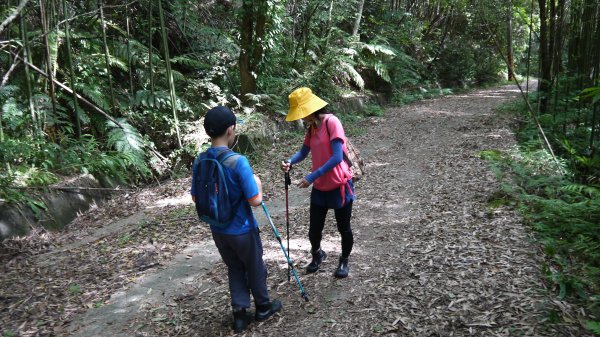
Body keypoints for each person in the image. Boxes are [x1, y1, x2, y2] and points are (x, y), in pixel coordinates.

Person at [191, 106, 282, 333]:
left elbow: (195, 196)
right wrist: (258, 183)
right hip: (242, 229)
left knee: (233, 267)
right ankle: (262, 307)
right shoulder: (238, 161)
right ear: (231, 129)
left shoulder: (200, 161)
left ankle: (240, 315)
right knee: (254, 266)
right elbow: (255, 200)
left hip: (218, 229)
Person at [280, 87, 355, 279]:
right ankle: (317, 254)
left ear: (309, 110)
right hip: (320, 188)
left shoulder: (332, 122)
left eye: (301, 113)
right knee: (314, 230)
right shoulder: (311, 128)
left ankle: (344, 259)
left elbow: (337, 157)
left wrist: (311, 177)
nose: (300, 118)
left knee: (343, 228)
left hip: (339, 184)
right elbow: (304, 152)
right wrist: (290, 161)